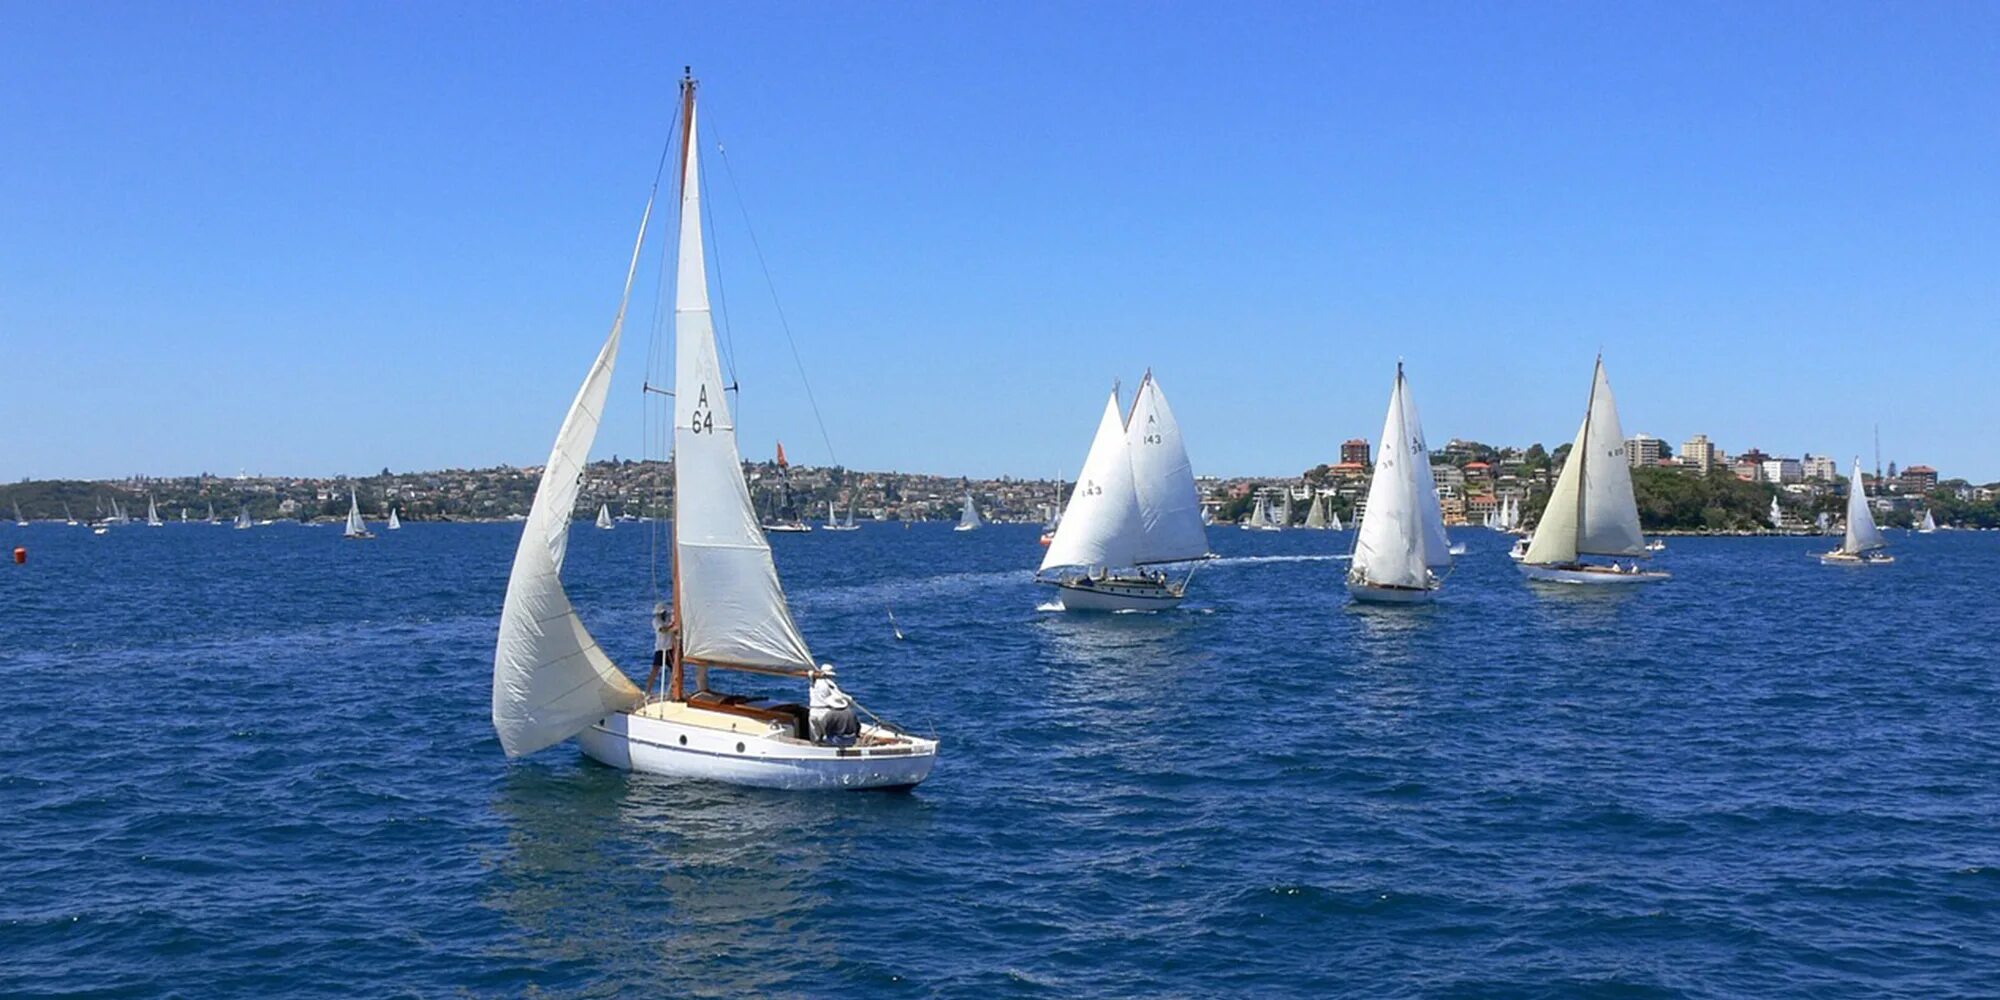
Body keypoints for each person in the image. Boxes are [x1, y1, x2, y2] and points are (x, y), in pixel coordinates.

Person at [809, 663, 859, 745]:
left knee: (815, 737)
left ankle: (814, 746)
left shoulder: (813, 682)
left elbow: (810, 673)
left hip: (813, 712)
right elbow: (839, 695)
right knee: (825, 735)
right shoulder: (831, 684)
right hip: (824, 712)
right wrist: (849, 699)